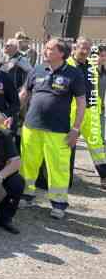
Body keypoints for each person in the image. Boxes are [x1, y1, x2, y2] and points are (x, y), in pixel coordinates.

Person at [19, 39, 86, 220]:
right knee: (28, 163)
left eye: (50, 48)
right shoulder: (37, 69)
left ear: (61, 53)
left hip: (58, 130)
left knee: (58, 167)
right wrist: (11, 113)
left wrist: (76, 129)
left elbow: (81, 103)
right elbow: (24, 94)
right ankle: (26, 195)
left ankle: (58, 203)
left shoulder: (74, 74)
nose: (45, 51)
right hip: (31, 127)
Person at [66, 37, 106, 189]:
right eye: (82, 47)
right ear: (75, 47)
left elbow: (96, 86)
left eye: (88, 49)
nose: (84, 51)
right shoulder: (66, 64)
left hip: (91, 112)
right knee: (68, 144)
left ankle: (104, 176)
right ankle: (65, 177)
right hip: (71, 112)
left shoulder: (91, 66)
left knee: (97, 146)